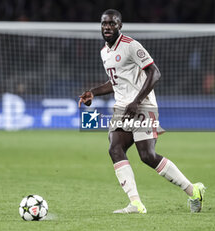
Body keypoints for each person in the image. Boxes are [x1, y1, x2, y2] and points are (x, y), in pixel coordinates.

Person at [78, 9, 205, 214]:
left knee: (147, 156)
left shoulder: (131, 46)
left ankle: (193, 191)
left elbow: (155, 73)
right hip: (122, 107)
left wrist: (136, 101)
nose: (107, 27)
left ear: (120, 26)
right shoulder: (104, 52)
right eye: (104, 24)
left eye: (112, 23)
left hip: (143, 105)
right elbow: (116, 83)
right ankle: (135, 203)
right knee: (115, 148)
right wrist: (93, 93)